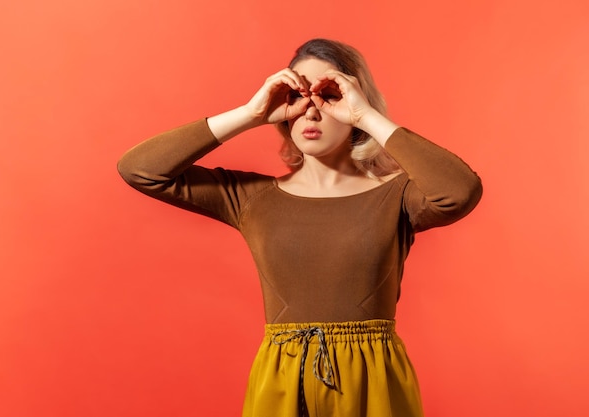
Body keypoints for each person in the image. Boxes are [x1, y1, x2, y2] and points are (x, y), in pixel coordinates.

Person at [117, 38, 482, 417]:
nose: (311, 112)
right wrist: (251, 112)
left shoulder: (399, 196)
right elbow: (141, 169)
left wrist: (366, 116)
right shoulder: (252, 197)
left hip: (373, 383)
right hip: (281, 381)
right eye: (298, 94)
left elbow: (460, 191)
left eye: (328, 95)